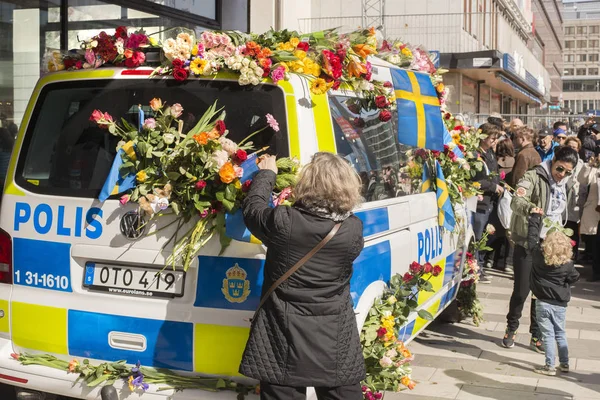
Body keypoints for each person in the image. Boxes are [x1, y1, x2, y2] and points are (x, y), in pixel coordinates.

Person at [240, 152, 366, 400]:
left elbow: (253, 209)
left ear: (307, 183)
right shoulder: (352, 229)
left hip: (281, 332)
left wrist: (267, 174)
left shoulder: (284, 221)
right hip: (334, 334)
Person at [503, 146, 579, 352]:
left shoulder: (567, 183)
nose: (562, 175)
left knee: (542, 294)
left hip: (550, 246)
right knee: (521, 290)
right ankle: (512, 327)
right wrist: (531, 208)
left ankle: (536, 334)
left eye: (568, 172)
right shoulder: (534, 175)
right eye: (560, 169)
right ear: (553, 160)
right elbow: (517, 201)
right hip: (529, 242)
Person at [528, 214, 580, 376]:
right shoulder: (568, 265)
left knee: (548, 335)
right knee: (560, 333)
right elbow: (574, 277)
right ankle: (564, 364)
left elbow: (532, 241)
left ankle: (549, 366)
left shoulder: (538, 257)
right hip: (560, 304)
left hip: (542, 302)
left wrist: (534, 219)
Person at [472, 123, 503, 283]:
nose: (494, 141)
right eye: (492, 138)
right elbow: (475, 180)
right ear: (483, 136)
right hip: (480, 202)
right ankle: (475, 268)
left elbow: (494, 173)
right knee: (478, 237)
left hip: (490, 200)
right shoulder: (475, 154)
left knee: (486, 236)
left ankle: (480, 266)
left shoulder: (490, 152)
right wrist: (493, 186)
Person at [484, 138, 515, 271]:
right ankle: (505, 262)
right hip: (507, 200)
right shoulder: (514, 161)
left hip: (495, 199)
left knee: (493, 230)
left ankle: (489, 259)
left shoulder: (493, 160)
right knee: (507, 231)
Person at [564, 137, 585, 260]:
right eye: (569, 146)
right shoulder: (559, 161)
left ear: (578, 150)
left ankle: (573, 254)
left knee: (573, 230)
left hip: (576, 202)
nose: (572, 149)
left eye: (574, 147)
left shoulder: (582, 165)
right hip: (563, 201)